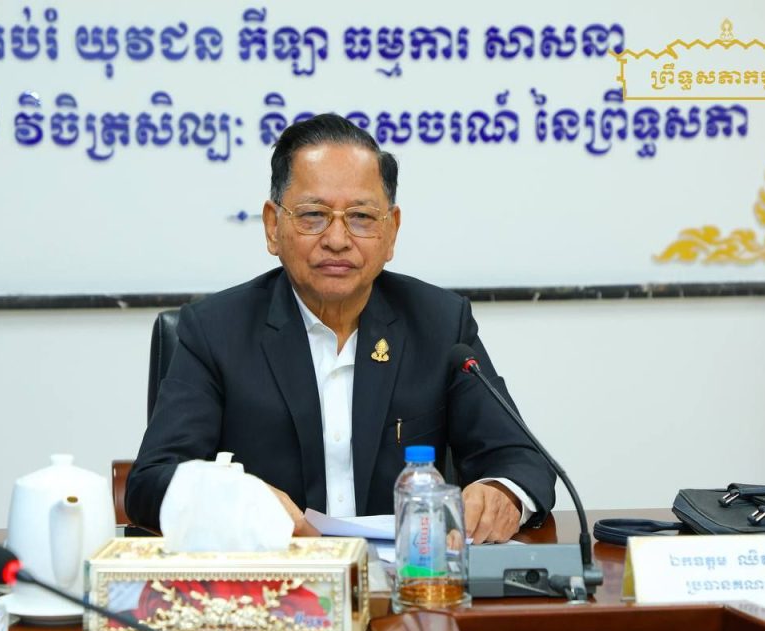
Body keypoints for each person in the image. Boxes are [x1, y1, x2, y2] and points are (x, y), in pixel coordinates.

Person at [126, 113, 556, 543]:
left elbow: (521, 459)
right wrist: (234, 498)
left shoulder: (439, 324)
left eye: (361, 217)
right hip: (276, 577)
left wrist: (502, 493)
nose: (337, 239)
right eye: (313, 215)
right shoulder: (215, 331)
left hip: (407, 576)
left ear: (391, 231)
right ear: (273, 226)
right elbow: (149, 483)